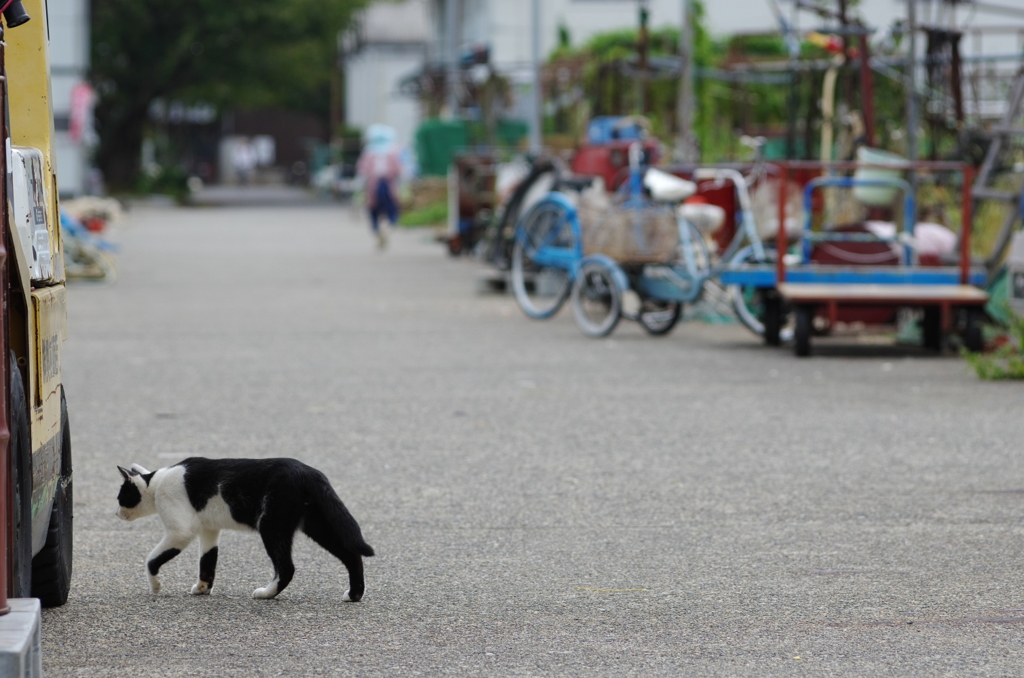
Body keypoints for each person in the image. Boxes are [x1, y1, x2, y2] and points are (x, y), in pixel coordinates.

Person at [356, 125, 403, 249]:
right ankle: (388, 227)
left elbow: (362, 170)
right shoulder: (394, 151)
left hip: (373, 185)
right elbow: (400, 169)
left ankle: (377, 231)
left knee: (373, 211)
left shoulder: (369, 151)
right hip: (389, 184)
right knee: (392, 210)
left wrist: (359, 187)